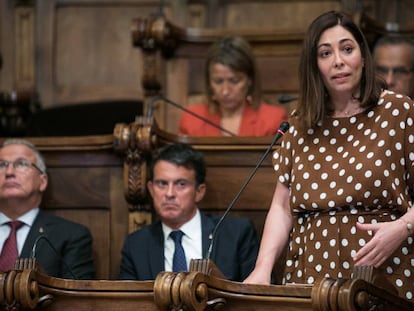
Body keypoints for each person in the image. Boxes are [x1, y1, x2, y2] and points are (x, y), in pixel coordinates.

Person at [244, 10, 414, 301]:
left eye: (347, 49)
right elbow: (282, 208)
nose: (338, 61)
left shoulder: (398, 112)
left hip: (382, 273)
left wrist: (402, 227)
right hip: (308, 275)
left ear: (362, 55)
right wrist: (263, 268)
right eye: (325, 53)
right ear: (314, 65)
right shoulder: (301, 123)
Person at [119, 143, 259, 281]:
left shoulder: (235, 235)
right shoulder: (136, 245)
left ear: (199, 191)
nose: (169, 193)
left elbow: (258, 295)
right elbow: (127, 302)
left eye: (181, 184)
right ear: (151, 189)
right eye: (162, 184)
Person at [0, 139, 95, 279]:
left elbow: (77, 298)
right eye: (2, 165)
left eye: (21, 164)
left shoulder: (71, 236)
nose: (9, 172)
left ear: (42, 181)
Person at [178, 36, 288, 136]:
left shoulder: (273, 120)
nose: (225, 91)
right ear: (209, 81)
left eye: (234, 81)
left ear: (249, 80)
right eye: (218, 81)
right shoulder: (191, 119)